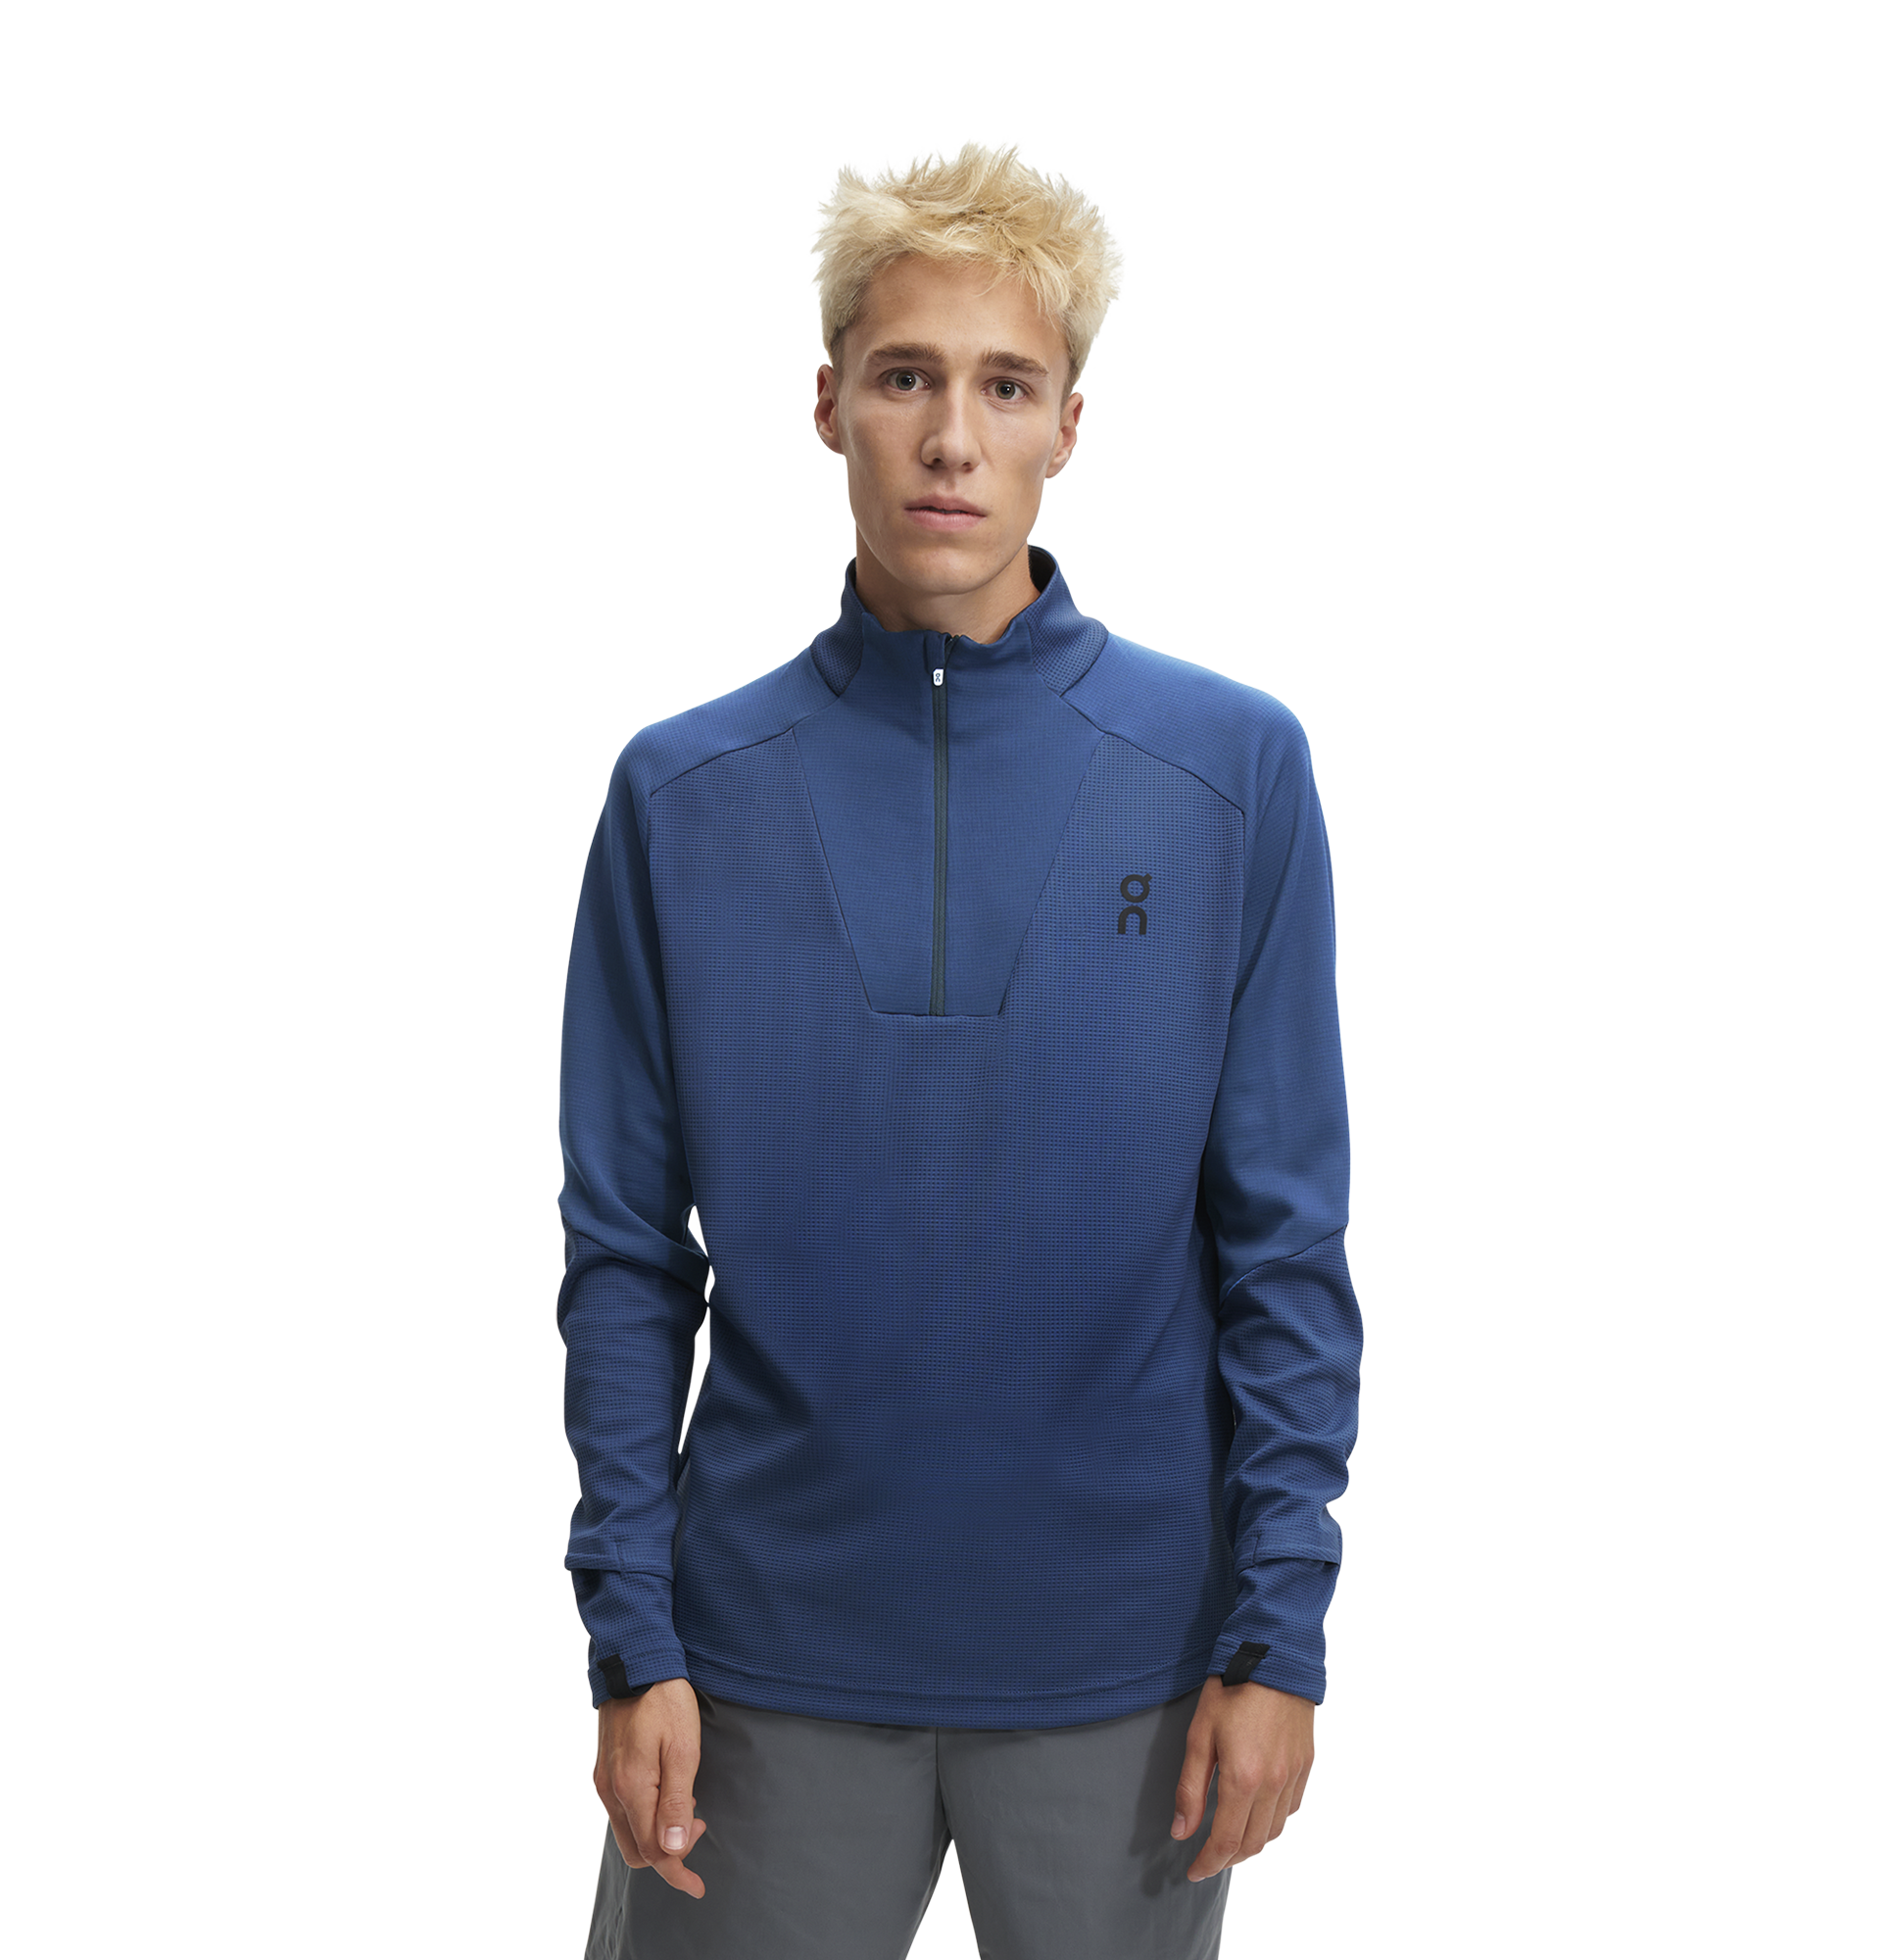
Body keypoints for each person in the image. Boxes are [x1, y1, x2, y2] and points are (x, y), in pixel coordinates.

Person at [557, 139, 1363, 1960]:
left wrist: (1282, 1635)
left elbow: (1283, 1244)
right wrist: (629, 1639)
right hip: (757, 1664)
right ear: (827, 402)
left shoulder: (1229, 775)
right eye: (907, 377)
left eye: (1005, 386)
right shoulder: (682, 799)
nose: (950, 439)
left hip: (1132, 1667)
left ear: (1070, 424)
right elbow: (622, 1256)